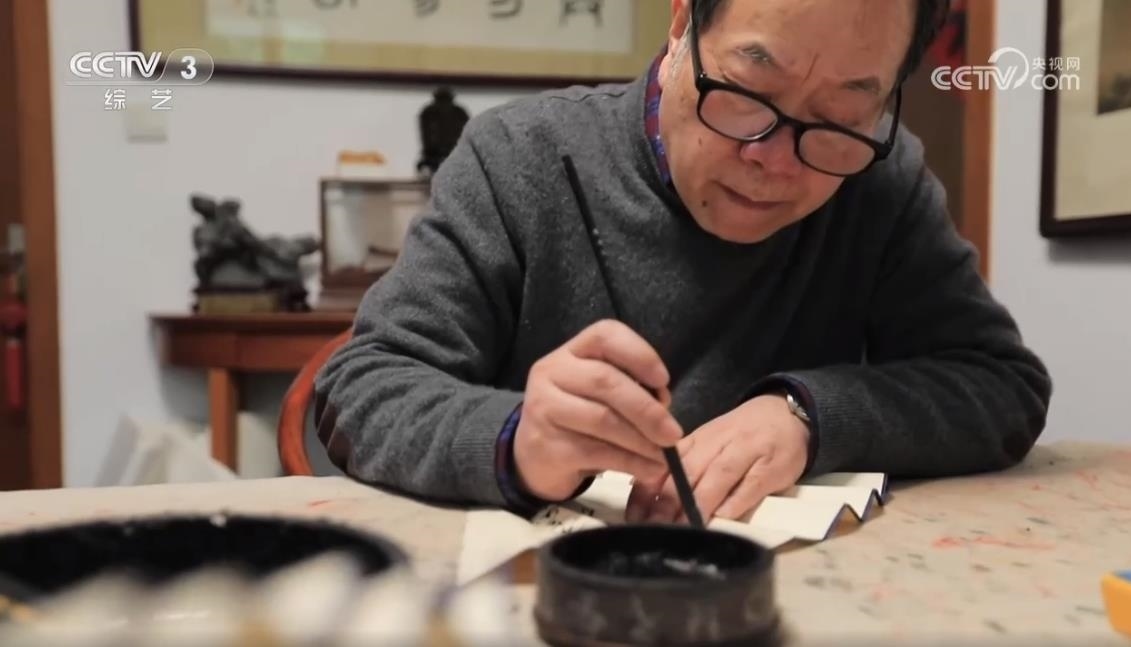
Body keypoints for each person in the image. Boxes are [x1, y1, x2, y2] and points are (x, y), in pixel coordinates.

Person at [314, 0, 1052, 525]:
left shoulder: (879, 183)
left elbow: (999, 385)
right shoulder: (518, 159)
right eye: (748, 92)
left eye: (839, 118)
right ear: (681, 26)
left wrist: (808, 415)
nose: (774, 162)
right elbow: (362, 389)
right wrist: (517, 440)